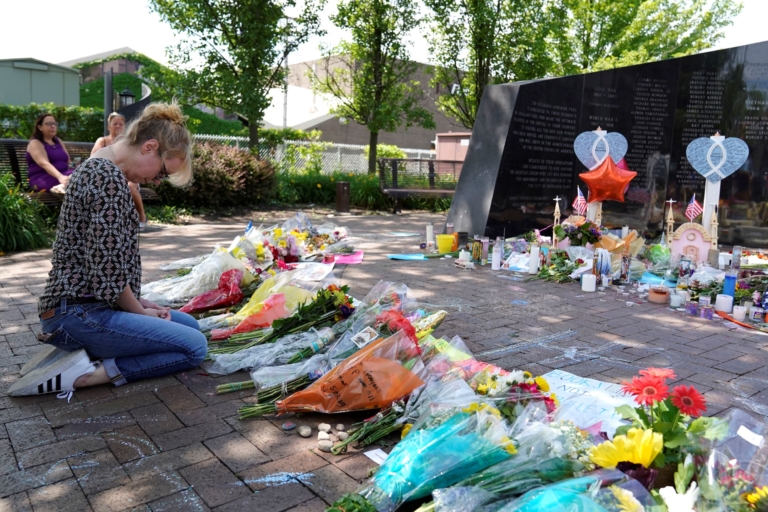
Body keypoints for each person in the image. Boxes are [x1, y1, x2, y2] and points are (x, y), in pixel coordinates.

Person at [10, 103, 207, 400]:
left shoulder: (102, 168)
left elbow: (104, 264)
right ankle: (84, 375)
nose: (157, 181)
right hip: (78, 313)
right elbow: (107, 276)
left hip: (81, 305)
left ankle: (82, 354)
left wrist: (142, 304)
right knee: (194, 347)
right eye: (163, 173)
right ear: (150, 147)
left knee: (190, 325)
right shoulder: (108, 178)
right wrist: (141, 312)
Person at [92, 113, 147, 227]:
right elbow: (93, 159)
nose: (118, 126)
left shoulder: (130, 143)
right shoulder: (102, 141)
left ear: (125, 127)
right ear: (109, 127)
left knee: (130, 186)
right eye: (115, 124)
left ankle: (142, 216)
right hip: (106, 177)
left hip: (129, 176)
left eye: (121, 124)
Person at [25, 113, 73, 192]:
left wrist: (75, 165)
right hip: (43, 178)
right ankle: (62, 186)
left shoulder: (58, 141)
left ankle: (61, 187)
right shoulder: (35, 143)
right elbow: (44, 163)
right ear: (40, 127)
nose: (53, 126)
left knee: (85, 172)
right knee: (79, 176)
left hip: (64, 175)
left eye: (54, 123)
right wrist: (60, 177)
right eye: (48, 124)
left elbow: (68, 162)